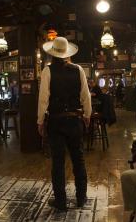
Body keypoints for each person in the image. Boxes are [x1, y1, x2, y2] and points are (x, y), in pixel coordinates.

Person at [37, 37, 91, 211]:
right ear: (67, 53)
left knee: (58, 163)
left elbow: (43, 99)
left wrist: (39, 121)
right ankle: (81, 198)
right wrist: (87, 114)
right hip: (75, 120)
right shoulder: (78, 69)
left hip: (56, 121)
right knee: (78, 159)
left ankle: (61, 201)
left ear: (53, 52)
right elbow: (86, 95)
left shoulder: (48, 70)